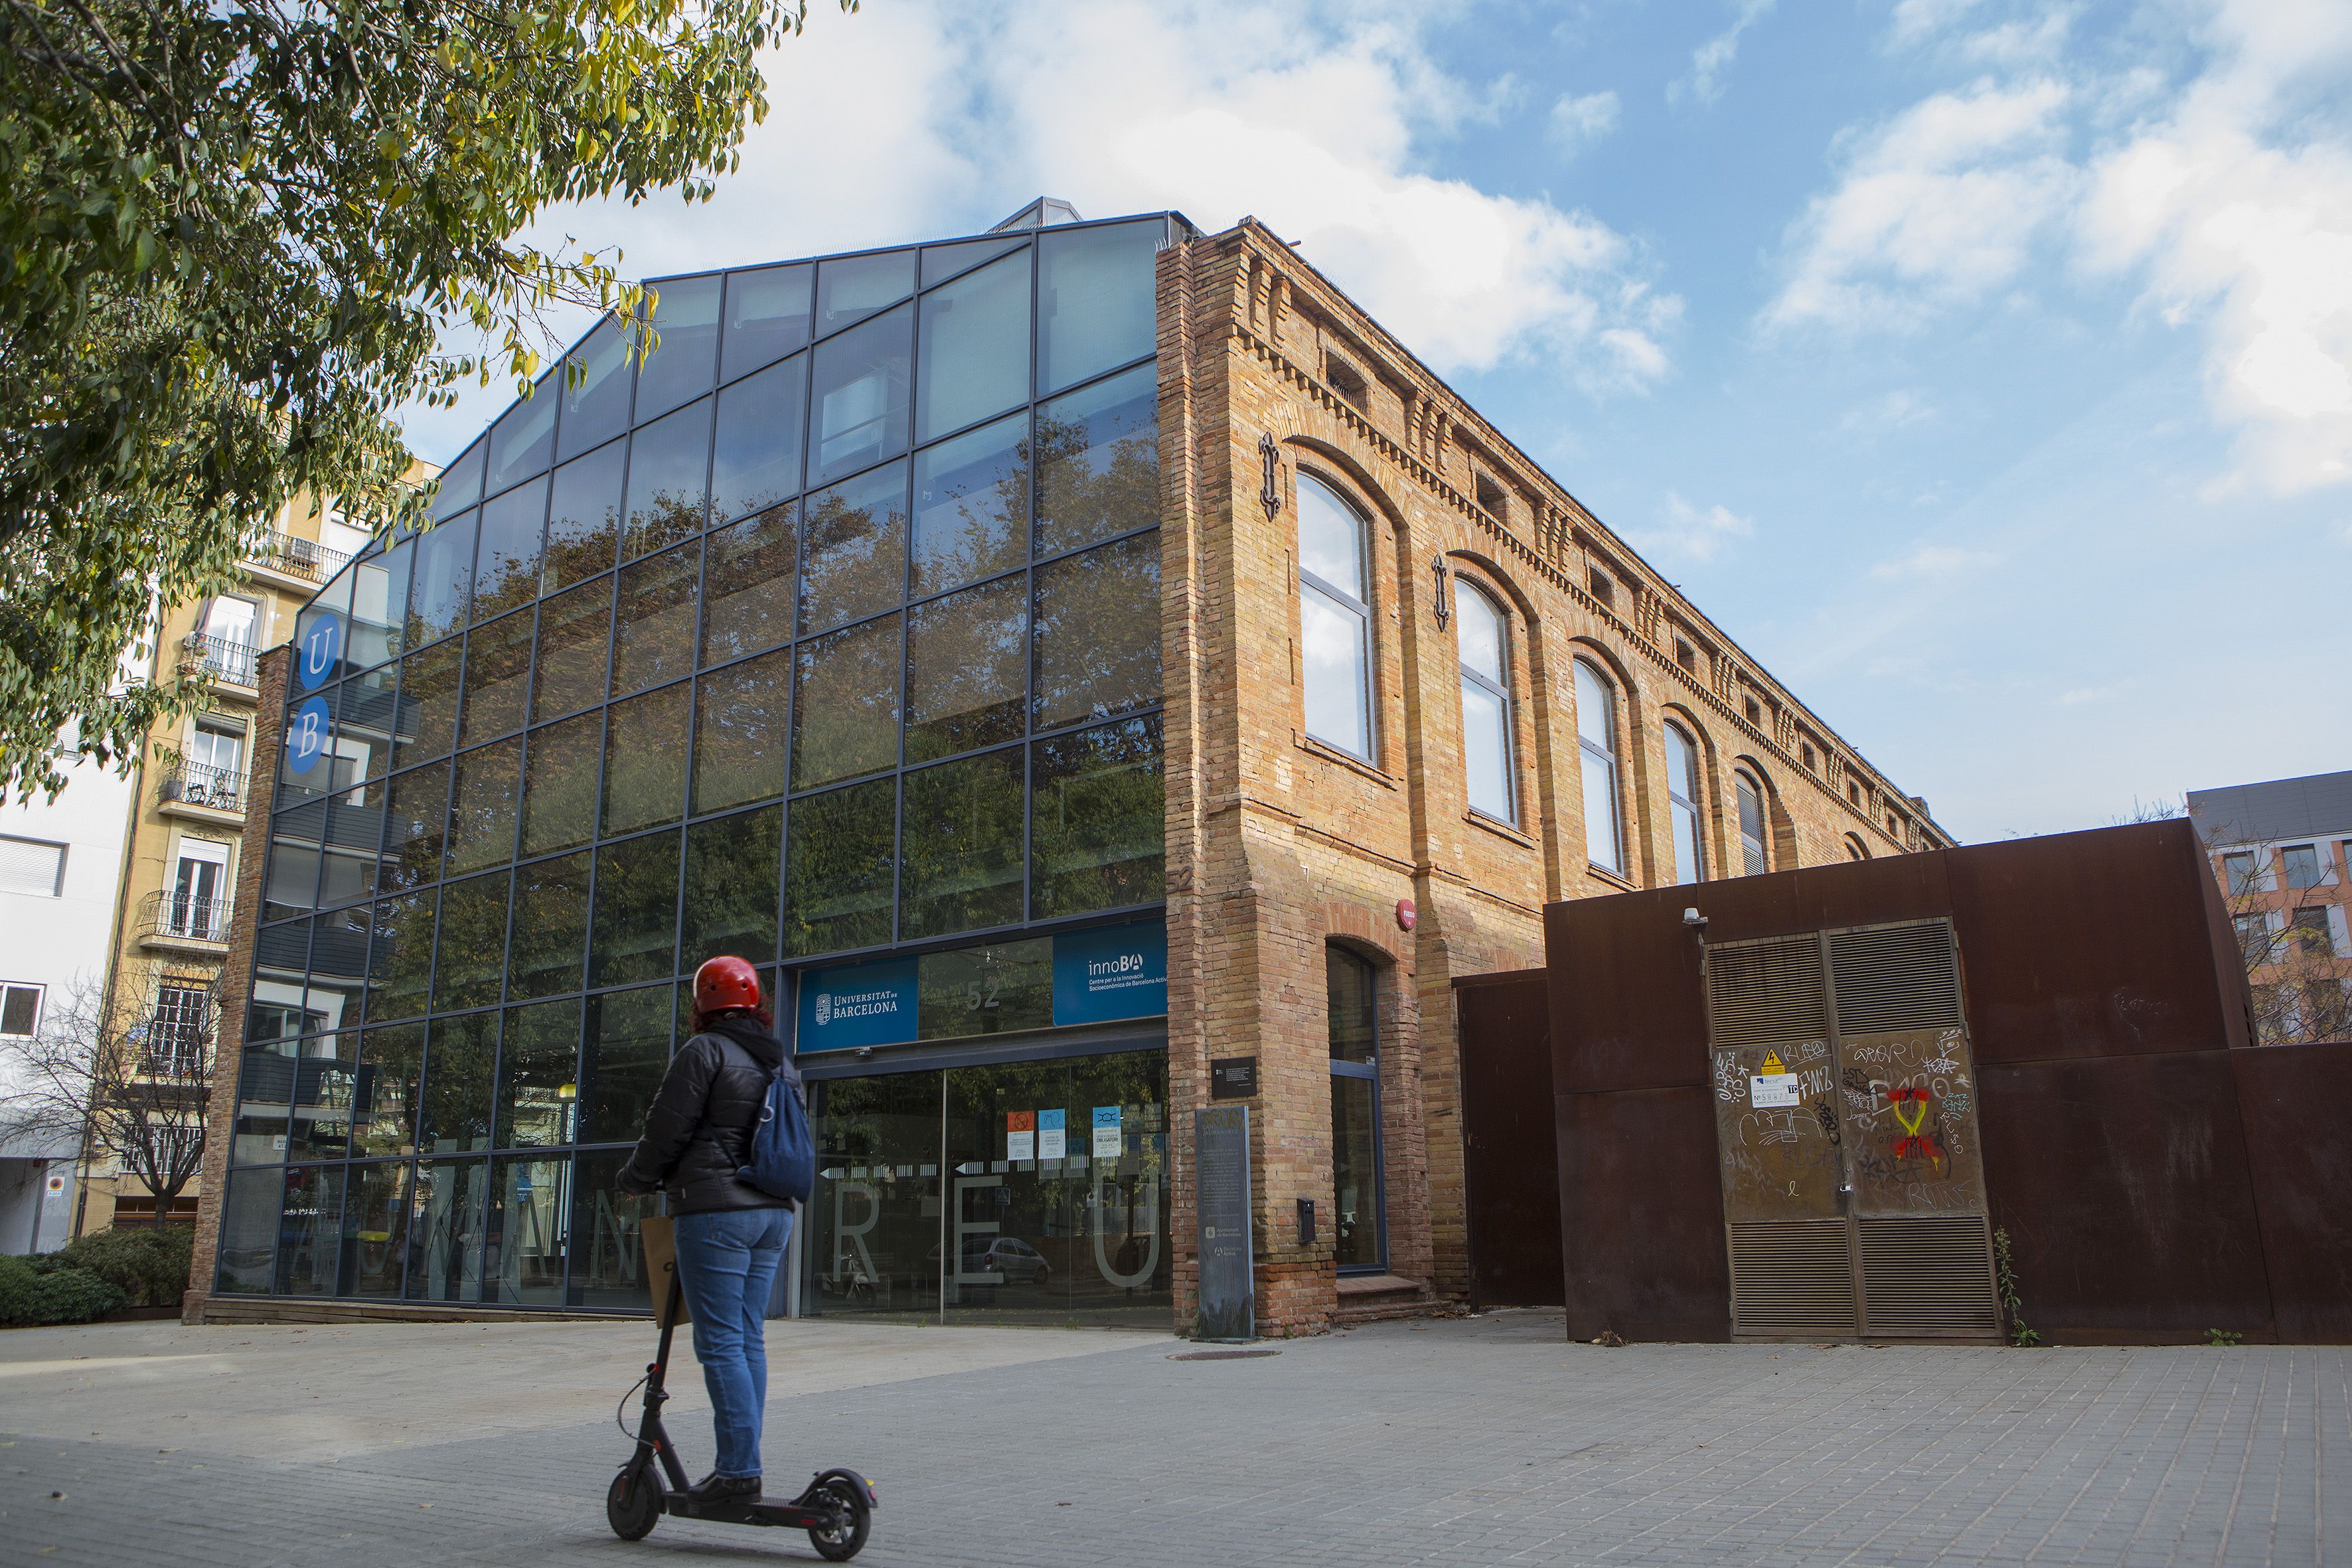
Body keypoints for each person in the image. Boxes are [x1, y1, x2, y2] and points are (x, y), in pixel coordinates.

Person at [617, 955, 800, 1503]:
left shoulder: (703, 1052)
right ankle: (743, 1461)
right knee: (747, 1339)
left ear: (701, 1007)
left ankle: (740, 1472)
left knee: (719, 1341)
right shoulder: (781, 1063)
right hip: (774, 1214)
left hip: (716, 1215)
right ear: (756, 1005)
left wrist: (635, 1178)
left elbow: (665, 1128)